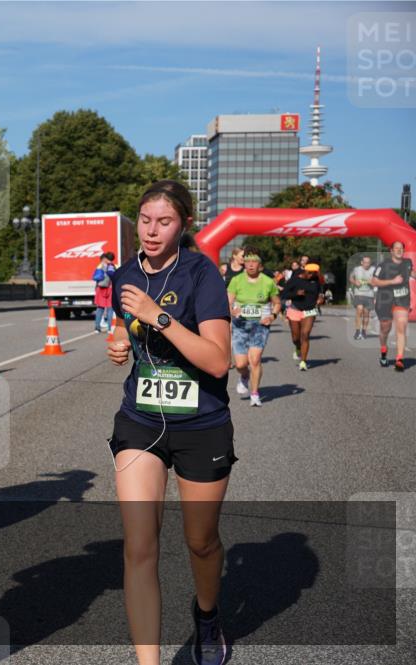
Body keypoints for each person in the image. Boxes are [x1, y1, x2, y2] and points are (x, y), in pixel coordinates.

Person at [106, 180, 233, 665]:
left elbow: (218, 361)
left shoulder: (204, 275)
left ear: (184, 225)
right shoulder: (124, 275)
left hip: (201, 424)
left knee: (200, 542)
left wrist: (158, 316)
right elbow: (127, 334)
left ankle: (207, 615)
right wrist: (119, 346)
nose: (152, 231)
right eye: (144, 220)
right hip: (139, 421)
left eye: (165, 222)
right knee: (139, 546)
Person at [227, 248, 281, 405]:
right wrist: (232, 309)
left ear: (260, 266)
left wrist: (273, 316)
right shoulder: (236, 280)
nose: (250, 265)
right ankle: (244, 376)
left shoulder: (268, 282)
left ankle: (255, 393)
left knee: (255, 360)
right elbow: (227, 302)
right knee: (240, 364)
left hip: (260, 325)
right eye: (248, 262)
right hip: (240, 325)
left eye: (254, 262)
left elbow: (277, 303)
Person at [371, 240, 413, 371]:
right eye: (397, 248)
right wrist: (392, 281)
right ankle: (383, 350)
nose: (399, 250)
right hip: (385, 299)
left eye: (401, 248)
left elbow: (411, 274)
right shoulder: (383, 265)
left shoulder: (407, 263)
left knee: (401, 327)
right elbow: (373, 281)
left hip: (402, 299)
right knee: (385, 328)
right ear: (391, 251)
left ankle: (399, 359)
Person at [281, 263, 323, 370]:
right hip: (295, 309)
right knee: (296, 337)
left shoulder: (316, 280)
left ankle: (303, 361)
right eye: (310, 273)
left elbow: (320, 293)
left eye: (314, 274)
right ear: (305, 271)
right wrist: (296, 294)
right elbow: (284, 294)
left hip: (310, 311)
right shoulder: (295, 280)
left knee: (305, 335)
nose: (312, 276)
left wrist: (320, 299)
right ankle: (297, 347)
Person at [93, 251, 116, 332]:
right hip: (110, 288)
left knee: (100, 308)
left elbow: (96, 277)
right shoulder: (113, 266)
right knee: (110, 309)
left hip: (101, 288)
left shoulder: (100, 266)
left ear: (105, 258)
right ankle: (110, 328)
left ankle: (97, 328)